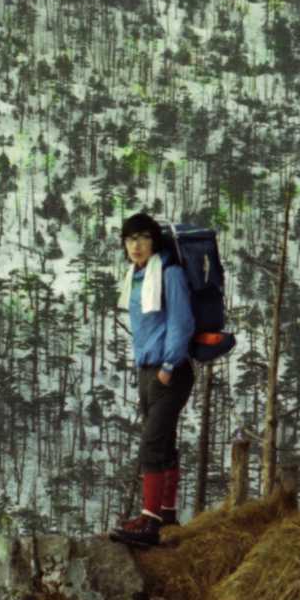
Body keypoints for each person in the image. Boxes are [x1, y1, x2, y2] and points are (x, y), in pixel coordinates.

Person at [109, 211, 196, 548]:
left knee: (151, 443)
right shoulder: (136, 276)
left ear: (154, 241)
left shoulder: (169, 273)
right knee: (163, 441)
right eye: (130, 239)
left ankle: (150, 521)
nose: (136, 245)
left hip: (170, 370)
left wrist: (169, 364)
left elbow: (181, 322)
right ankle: (167, 512)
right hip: (148, 369)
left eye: (144, 237)